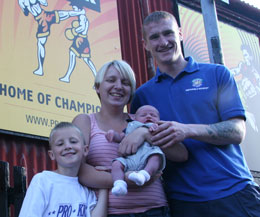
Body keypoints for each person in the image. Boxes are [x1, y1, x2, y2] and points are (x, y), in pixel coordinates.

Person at [128, 11, 260, 217]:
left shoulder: (217, 74)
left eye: (168, 33)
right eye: (154, 37)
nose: (163, 42)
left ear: (180, 34)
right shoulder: (142, 96)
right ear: (145, 44)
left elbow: (237, 131)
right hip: (183, 202)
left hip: (234, 190)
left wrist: (187, 130)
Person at [73, 60, 188, 216]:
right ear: (98, 87)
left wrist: (146, 134)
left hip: (155, 210)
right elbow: (80, 172)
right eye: (111, 80)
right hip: (111, 212)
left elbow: (181, 154)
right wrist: (127, 181)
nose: (119, 86)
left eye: (125, 83)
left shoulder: (144, 120)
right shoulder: (85, 121)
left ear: (131, 92)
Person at [19, 122, 107, 217]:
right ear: (52, 155)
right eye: (60, 144)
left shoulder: (86, 189)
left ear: (85, 150)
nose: (67, 146)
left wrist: (103, 185)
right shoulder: (43, 180)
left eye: (73, 141)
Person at [107, 105, 176, 196]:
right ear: (134, 119)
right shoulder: (130, 127)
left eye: (153, 115)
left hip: (148, 156)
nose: (149, 116)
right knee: (116, 163)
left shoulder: (159, 127)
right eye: (143, 115)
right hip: (129, 159)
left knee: (156, 157)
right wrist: (113, 135)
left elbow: (164, 139)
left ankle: (144, 175)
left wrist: (156, 129)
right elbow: (121, 137)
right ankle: (119, 184)